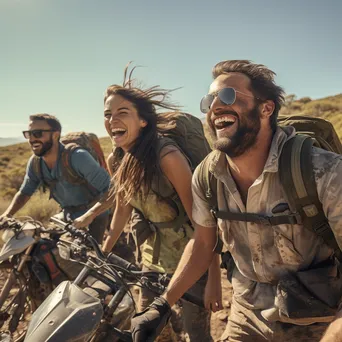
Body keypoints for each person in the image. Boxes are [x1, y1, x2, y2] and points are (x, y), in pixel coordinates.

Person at [130, 60, 342, 342]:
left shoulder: (324, 171)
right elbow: (204, 243)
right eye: (209, 100)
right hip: (247, 314)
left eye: (228, 96)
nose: (215, 107)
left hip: (318, 318)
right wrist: (162, 305)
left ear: (266, 108)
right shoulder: (207, 176)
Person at [75, 66, 219, 342]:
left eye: (122, 112)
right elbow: (122, 208)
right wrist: (103, 254)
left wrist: (214, 280)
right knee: (146, 328)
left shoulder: (169, 157)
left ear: (143, 121)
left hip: (190, 264)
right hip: (151, 259)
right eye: (108, 114)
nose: (112, 119)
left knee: (198, 333)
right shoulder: (117, 157)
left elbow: (204, 224)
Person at [0, 114, 110, 243]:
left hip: (95, 215)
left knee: (90, 258)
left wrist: (89, 216)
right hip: (67, 215)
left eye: (38, 133)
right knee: (41, 252)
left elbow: (112, 190)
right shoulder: (35, 162)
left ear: (55, 135)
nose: (32, 139)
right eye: (29, 134)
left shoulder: (78, 157)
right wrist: (7, 214)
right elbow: (25, 192)